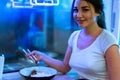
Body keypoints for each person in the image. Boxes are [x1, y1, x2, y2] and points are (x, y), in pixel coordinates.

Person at [26, 0, 120, 80]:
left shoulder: (107, 40)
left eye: (85, 9)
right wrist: (42, 56)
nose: (78, 15)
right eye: (76, 10)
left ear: (98, 11)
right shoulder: (74, 36)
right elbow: (65, 67)